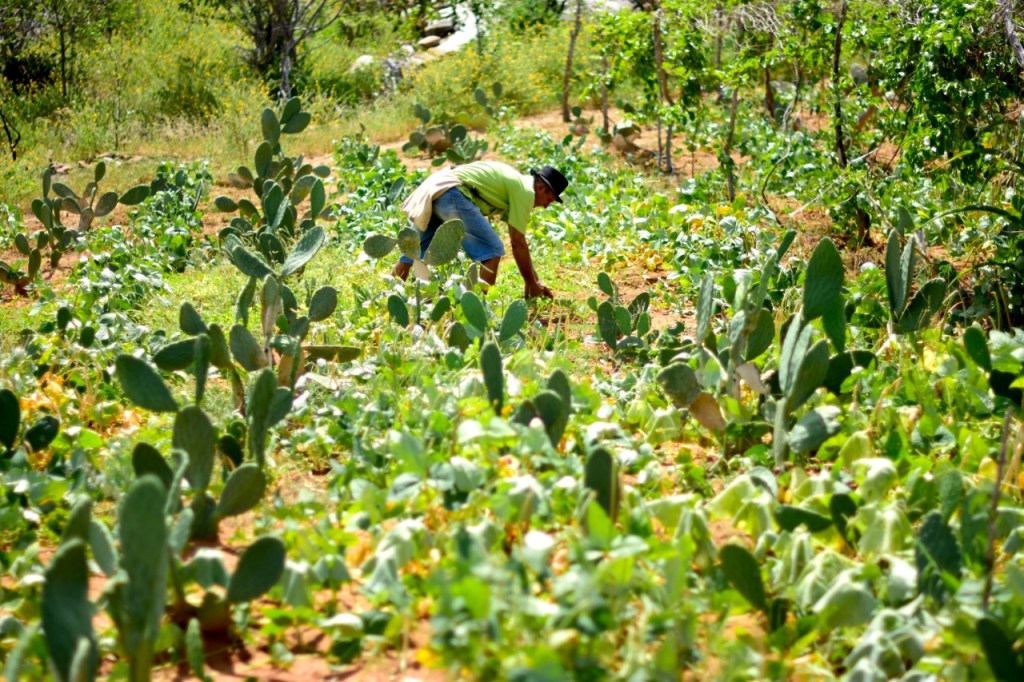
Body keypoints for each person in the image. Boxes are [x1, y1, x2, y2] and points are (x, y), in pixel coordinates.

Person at [393, 160, 568, 299]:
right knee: (492, 251)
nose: (546, 206)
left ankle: (390, 296)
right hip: (451, 191)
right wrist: (531, 283)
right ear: (540, 188)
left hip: (435, 187)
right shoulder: (526, 192)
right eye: (549, 199)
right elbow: (518, 243)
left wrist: (534, 281)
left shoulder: (516, 183)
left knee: (412, 253)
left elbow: (517, 239)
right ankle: (477, 309)